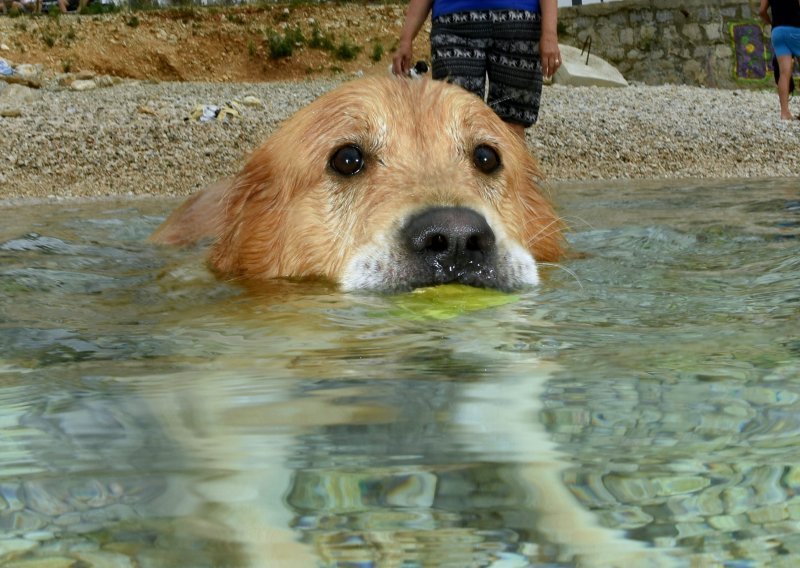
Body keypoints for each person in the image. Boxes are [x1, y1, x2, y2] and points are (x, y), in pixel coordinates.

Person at [392, 0, 561, 140]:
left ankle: (513, 180)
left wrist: (550, 34)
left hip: (520, 21)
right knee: (456, 119)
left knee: (512, 125)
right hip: (453, 24)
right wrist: (406, 40)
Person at [760, 0, 800, 120]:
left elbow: (762, 11)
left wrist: (773, 23)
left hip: (778, 32)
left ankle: (785, 113)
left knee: (784, 73)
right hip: (796, 29)